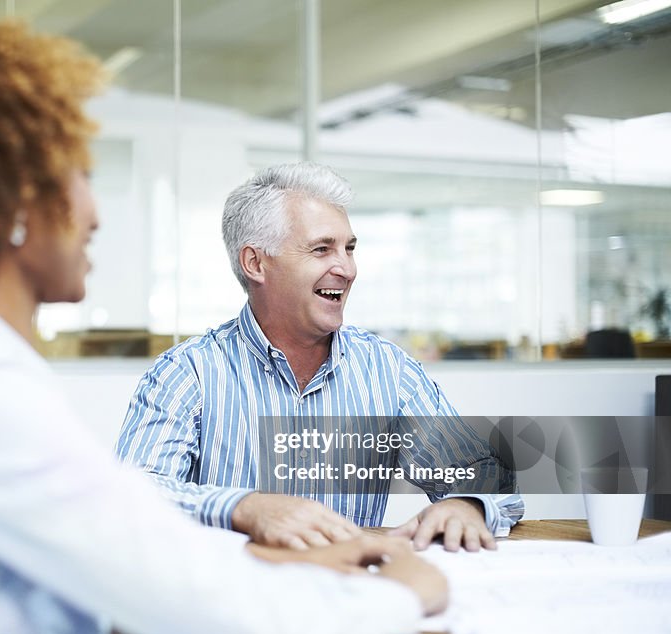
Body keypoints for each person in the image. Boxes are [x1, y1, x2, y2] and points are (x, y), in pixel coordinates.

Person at [0, 10, 447, 634]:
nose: (95, 211)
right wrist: (401, 591)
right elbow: (234, 627)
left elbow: (144, 551)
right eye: (79, 175)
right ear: (14, 208)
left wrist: (324, 561)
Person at [116, 162, 523, 553]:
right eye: (321, 249)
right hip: (230, 606)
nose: (346, 269)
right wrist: (245, 508)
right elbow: (130, 496)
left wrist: (466, 504)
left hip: (349, 600)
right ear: (255, 263)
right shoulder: (188, 374)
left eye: (349, 248)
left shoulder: (386, 371)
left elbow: (485, 474)